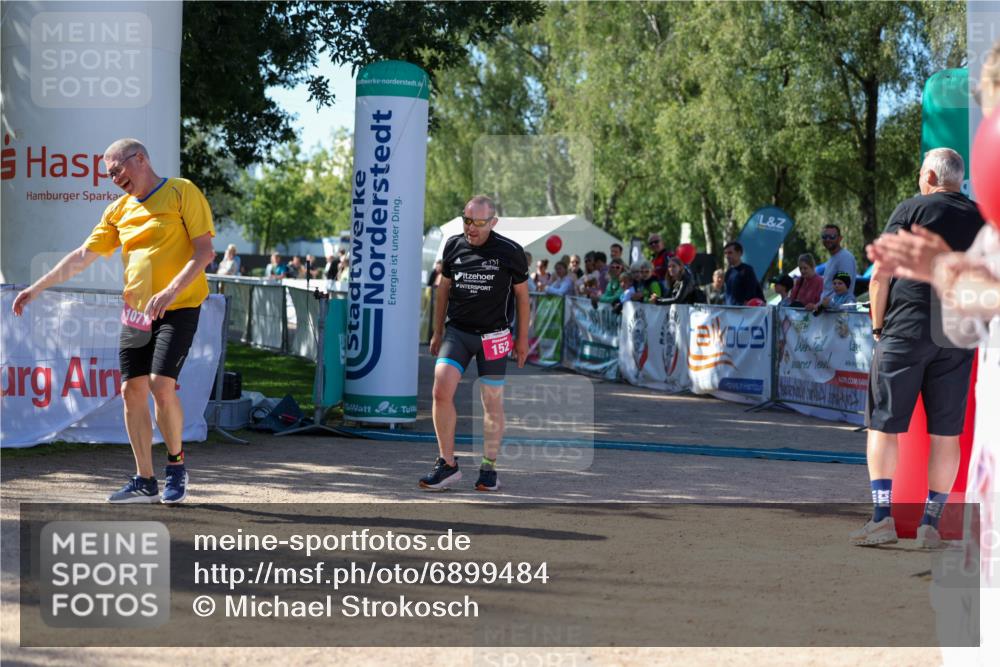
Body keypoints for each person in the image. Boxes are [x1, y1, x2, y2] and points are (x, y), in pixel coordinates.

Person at [11, 138, 215, 504]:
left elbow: (204, 251)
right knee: (130, 391)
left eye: (117, 170)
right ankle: (144, 480)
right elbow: (82, 255)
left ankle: (176, 466)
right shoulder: (117, 210)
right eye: (109, 175)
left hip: (179, 306)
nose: (115, 179)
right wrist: (37, 287)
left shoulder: (181, 191)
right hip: (136, 312)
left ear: (140, 159)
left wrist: (170, 291)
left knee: (160, 385)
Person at [851, 147, 984, 548]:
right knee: (946, 434)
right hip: (958, 333)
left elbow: (880, 275)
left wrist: (877, 327)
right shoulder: (982, 217)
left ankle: (881, 520)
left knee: (883, 425)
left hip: (906, 328)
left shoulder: (912, 209)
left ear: (930, 177)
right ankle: (931, 525)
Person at [424, 195, 529, 492]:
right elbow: (443, 290)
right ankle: (447, 464)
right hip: (458, 332)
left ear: (493, 222)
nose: (471, 228)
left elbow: (523, 297)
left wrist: (522, 340)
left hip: (494, 336)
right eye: (467, 220)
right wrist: (437, 332)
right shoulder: (453, 245)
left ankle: (488, 467)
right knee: (440, 389)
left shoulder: (510, 251)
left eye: (479, 223)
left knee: (491, 402)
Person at [819, 224, 857, 303]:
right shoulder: (831, 259)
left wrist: (825, 304)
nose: (828, 239)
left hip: (839, 309)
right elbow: (828, 290)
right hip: (828, 308)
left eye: (832, 236)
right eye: (824, 236)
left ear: (840, 238)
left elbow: (844, 288)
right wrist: (817, 305)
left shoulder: (845, 257)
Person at [722, 241, 764, 306]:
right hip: (729, 310)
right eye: (725, 253)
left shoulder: (747, 270)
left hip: (743, 310)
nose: (727, 256)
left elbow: (751, 292)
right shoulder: (728, 272)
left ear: (739, 253)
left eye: (730, 253)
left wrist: (744, 306)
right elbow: (727, 294)